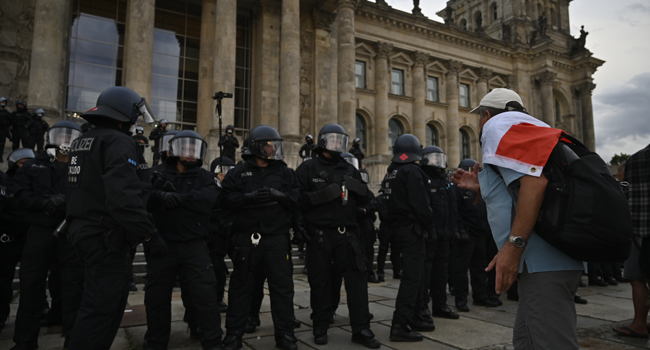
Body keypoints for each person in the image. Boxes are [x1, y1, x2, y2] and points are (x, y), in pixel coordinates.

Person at [453, 88, 584, 349]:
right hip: (558, 258)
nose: (479, 124)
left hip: (542, 264)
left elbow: (535, 184)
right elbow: (533, 186)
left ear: (486, 114)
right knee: (525, 341)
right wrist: (485, 186)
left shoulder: (496, 126)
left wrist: (512, 249)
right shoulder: (536, 128)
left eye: (479, 117)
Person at [65, 86, 167, 350]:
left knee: (101, 305)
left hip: (82, 232)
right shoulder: (118, 141)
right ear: (124, 112)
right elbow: (122, 199)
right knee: (100, 311)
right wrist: (150, 234)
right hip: (105, 238)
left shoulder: (82, 141)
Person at [296, 123, 380, 349]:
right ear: (323, 141)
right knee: (321, 282)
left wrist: (360, 201)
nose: (337, 145)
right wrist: (322, 196)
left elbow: (369, 200)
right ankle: (320, 325)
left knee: (357, 281)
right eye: (333, 140)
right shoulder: (308, 169)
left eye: (340, 141)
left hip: (347, 235)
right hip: (320, 236)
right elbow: (296, 200)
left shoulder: (349, 169)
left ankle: (361, 328)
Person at [221, 125, 301, 350]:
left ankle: (285, 335)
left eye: (275, 145)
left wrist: (282, 197)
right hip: (248, 239)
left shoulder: (286, 173)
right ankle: (234, 335)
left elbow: (297, 200)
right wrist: (248, 198)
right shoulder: (238, 171)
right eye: (268, 145)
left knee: (282, 288)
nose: (273, 149)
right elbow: (225, 200)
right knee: (241, 287)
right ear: (257, 147)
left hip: (276, 239)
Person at [144, 130, 223, 350]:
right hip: (162, 245)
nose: (190, 153)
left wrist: (177, 199)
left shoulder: (206, 177)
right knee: (156, 296)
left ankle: (213, 340)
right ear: (174, 149)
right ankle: (155, 341)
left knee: (205, 295)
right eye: (185, 148)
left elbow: (208, 199)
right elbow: (142, 195)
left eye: (194, 148)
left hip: (194, 245)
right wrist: (160, 196)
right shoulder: (156, 173)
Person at [11, 121, 84, 350]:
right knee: (31, 285)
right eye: (60, 135)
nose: (65, 140)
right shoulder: (33, 165)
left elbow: (91, 195)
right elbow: (19, 195)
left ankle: (73, 339)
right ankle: (25, 340)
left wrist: (65, 201)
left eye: (69, 136)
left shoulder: (83, 167)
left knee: (73, 286)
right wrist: (44, 202)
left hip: (69, 232)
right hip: (40, 232)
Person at [381, 134, 436, 342]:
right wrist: (430, 227)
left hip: (399, 229)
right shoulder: (412, 171)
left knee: (415, 276)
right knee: (413, 279)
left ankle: (412, 317)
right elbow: (421, 204)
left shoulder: (391, 173)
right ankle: (400, 325)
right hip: (413, 230)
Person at [451, 159, 501, 311]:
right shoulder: (457, 189)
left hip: (480, 232)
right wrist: (460, 230)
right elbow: (455, 211)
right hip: (467, 232)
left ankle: (480, 296)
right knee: (461, 267)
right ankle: (461, 299)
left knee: (479, 266)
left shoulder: (480, 189)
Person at [612, 148, 650, 338]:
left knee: (637, 278)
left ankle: (639, 324)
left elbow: (627, 195)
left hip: (640, 229)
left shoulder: (638, 159)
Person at [0, 148, 35, 332]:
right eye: (23, 163)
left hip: (29, 238)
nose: (27, 167)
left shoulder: (37, 182)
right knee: (3, 280)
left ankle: (40, 308)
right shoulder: (5, 183)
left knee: (32, 279)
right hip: (8, 240)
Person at [342, 152, 378, 283]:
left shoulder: (361, 185)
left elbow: (371, 201)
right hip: (352, 222)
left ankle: (369, 272)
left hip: (365, 222)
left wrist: (364, 210)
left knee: (368, 249)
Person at [0, 97, 11, 162]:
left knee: (1, 144)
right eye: (2, 102)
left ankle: (0, 157)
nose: (3, 104)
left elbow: (9, 123)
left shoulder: (7, 113)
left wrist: (7, 131)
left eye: (4, 102)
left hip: (3, 130)